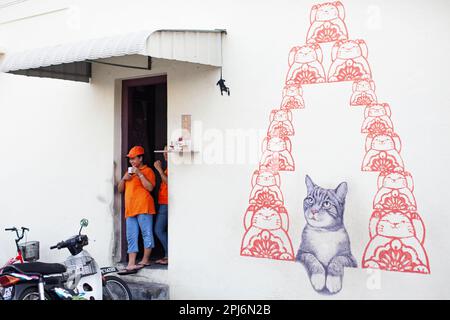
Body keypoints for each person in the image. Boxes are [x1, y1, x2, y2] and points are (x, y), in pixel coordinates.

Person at [118, 146, 156, 272]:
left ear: (141, 158)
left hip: (144, 207)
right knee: (131, 236)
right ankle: (131, 263)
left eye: (134, 158)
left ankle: (145, 260)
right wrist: (124, 179)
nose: (132, 161)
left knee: (146, 234)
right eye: (130, 159)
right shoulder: (128, 173)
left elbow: (150, 188)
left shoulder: (148, 171)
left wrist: (139, 174)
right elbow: (120, 190)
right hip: (130, 209)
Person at [154, 146, 169, 265]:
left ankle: (169, 255)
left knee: (158, 230)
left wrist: (159, 169)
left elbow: (169, 182)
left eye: (167, 151)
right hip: (163, 202)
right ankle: (167, 255)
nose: (165, 154)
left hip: (167, 203)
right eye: (163, 151)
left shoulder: (172, 168)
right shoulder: (169, 167)